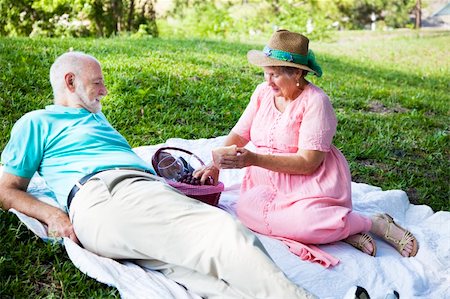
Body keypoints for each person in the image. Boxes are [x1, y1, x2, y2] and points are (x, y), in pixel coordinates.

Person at [0, 51, 317, 299]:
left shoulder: (97, 119)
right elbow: (6, 189)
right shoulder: (37, 122)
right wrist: (53, 215)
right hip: (108, 194)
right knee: (224, 232)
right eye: (97, 82)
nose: (105, 90)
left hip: (134, 200)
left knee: (208, 281)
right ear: (70, 82)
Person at [194, 29, 418, 267]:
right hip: (265, 183)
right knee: (247, 213)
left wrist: (254, 159)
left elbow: (308, 162)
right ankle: (341, 228)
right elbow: (240, 133)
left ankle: (373, 223)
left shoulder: (316, 101)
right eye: (266, 73)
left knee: (305, 223)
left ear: (297, 74)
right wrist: (215, 164)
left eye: (276, 75)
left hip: (309, 183)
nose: (268, 81)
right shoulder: (262, 93)